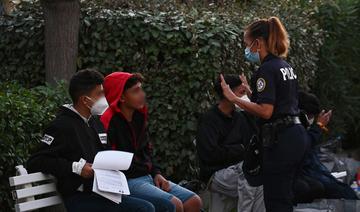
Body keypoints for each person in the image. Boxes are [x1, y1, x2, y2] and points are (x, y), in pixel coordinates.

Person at [27, 69, 158, 212]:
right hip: (78, 197)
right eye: (100, 94)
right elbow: (36, 162)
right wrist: (76, 168)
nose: (105, 98)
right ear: (84, 100)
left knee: (156, 206)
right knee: (144, 209)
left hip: (102, 191)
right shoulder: (62, 126)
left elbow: (103, 153)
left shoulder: (95, 122)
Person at [220, 17, 309, 212]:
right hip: (297, 135)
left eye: (246, 44)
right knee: (285, 198)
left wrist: (234, 99)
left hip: (281, 142)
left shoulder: (266, 69)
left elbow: (267, 112)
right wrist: (252, 95)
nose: (246, 49)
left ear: (257, 43)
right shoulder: (285, 66)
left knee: (276, 201)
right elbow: (281, 103)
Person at [100, 72, 202, 212]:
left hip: (148, 176)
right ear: (121, 97)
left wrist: (156, 173)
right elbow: (109, 162)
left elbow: (147, 150)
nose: (142, 94)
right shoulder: (108, 122)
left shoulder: (138, 117)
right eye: (136, 91)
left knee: (194, 202)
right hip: (127, 181)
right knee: (175, 205)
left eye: (141, 89)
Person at [196, 74, 265, 212]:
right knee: (253, 179)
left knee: (259, 176)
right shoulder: (210, 119)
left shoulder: (240, 117)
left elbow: (254, 139)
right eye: (241, 92)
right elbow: (209, 154)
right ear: (228, 93)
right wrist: (239, 149)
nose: (244, 97)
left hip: (238, 169)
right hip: (216, 173)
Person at [294, 91, 358, 202]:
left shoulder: (303, 129)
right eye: (310, 116)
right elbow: (304, 145)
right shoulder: (295, 130)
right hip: (304, 172)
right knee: (340, 191)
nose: (312, 119)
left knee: (344, 191)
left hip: (310, 170)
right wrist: (318, 127)